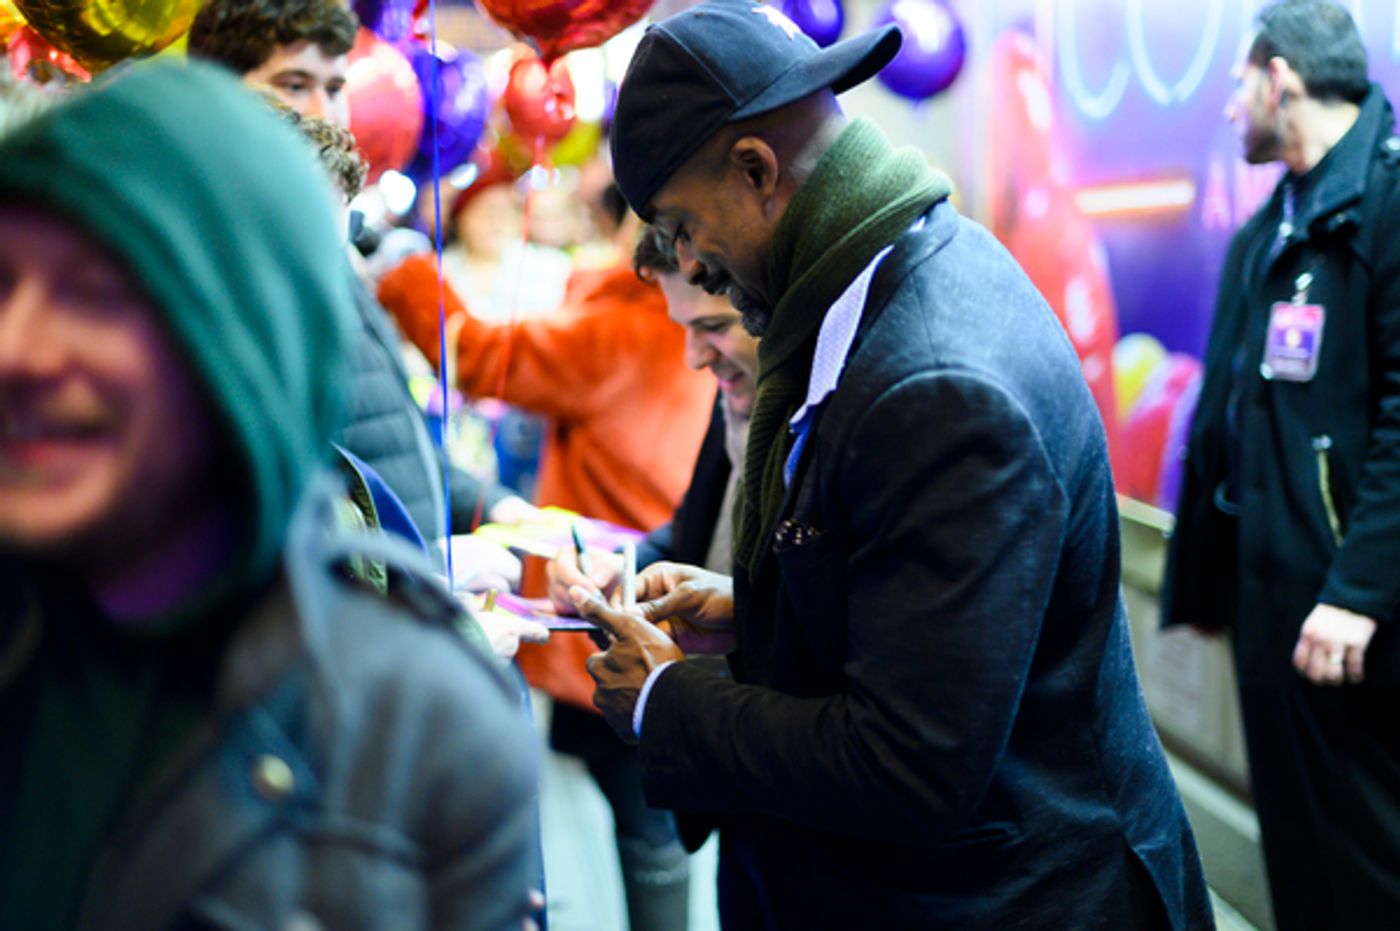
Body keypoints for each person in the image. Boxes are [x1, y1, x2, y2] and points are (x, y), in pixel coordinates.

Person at [570, 3, 1212, 928]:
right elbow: (921, 617)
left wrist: (670, 697)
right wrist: (757, 617)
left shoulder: (936, 382)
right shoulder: (887, 281)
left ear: (756, 171)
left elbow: (910, 763)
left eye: (680, 226)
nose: (691, 262)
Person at [0, 61, 538, 929]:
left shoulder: (427, 725)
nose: (16, 351)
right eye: (1, 286)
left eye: (94, 294)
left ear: (244, 332)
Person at [379, 181, 715, 931]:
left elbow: (479, 354)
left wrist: (404, 277)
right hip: (639, 570)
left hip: (615, 589)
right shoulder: (659, 316)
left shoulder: (623, 329)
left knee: (643, 809)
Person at [1162, 2, 1400, 927]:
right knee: (1301, 867)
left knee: (1371, 870)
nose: (1228, 108)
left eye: (1237, 82)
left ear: (1282, 77)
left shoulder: (1382, 208)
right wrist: (1210, 584)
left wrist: (1362, 591)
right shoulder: (1272, 231)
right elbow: (1233, 416)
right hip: (1276, 613)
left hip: (1353, 622)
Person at [189, 0, 538, 545]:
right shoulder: (218, 271)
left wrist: (498, 509)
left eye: (334, 87)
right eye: (294, 84)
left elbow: (389, 443)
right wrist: (421, 579)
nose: (325, 111)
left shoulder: (337, 245)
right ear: (219, 97)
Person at [549, 224, 756, 604]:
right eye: (685, 330)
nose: (694, 358)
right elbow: (691, 532)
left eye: (713, 327)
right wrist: (618, 571)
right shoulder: (733, 402)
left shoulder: (836, 425)